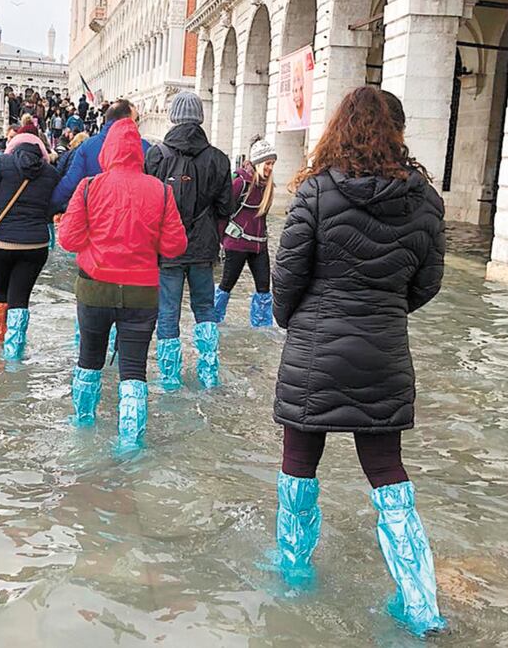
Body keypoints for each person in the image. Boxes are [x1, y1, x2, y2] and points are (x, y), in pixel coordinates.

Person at [270, 87, 446, 637]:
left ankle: (293, 577)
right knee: (388, 472)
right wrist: (385, 309)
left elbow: (286, 281)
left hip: (315, 355)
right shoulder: (426, 202)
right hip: (384, 354)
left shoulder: (314, 193)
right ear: (398, 131)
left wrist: (300, 321)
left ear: (338, 128)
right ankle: (421, 604)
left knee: (300, 459)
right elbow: (428, 284)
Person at [58, 117, 187, 453]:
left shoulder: (88, 186)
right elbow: (175, 247)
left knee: (89, 359)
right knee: (134, 370)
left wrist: (96, 241)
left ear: (108, 151)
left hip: (94, 290)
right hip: (142, 295)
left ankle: (82, 427)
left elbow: (68, 239)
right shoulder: (161, 190)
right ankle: (130, 445)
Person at [144, 91, 233, 390]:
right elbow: (225, 208)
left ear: (173, 117)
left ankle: (170, 379)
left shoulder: (156, 155)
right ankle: (209, 374)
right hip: (203, 248)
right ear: (201, 118)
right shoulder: (219, 159)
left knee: (168, 312)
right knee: (205, 309)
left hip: (167, 247)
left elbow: (149, 204)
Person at [0, 136, 61, 361]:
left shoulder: (0, 163)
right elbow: (55, 205)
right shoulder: (51, 172)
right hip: (35, 245)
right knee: (21, 297)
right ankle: (14, 353)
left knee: (0, 291)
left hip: (0, 243)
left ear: (12, 148)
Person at [214, 137, 277, 327]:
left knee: (264, 289)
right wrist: (220, 241)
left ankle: (262, 328)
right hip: (237, 244)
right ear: (257, 163)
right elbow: (223, 213)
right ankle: (212, 322)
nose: (270, 168)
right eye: (267, 163)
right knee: (226, 285)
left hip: (259, 246)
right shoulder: (240, 183)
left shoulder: (268, 187)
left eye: (273, 164)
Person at [52, 99, 149, 211]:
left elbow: (70, 183)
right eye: (136, 120)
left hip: (96, 216)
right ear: (126, 121)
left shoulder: (87, 146)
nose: (138, 124)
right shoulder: (145, 148)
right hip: (132, 217)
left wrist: (48, 208)